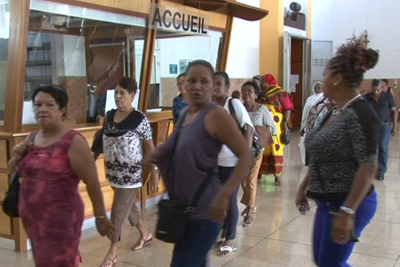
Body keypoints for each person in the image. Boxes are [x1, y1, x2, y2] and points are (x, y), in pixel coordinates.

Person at [146, 60, 254, 267]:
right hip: (184, 209)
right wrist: (151, 158)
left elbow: (246, 156)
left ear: (213, 86)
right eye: (192, 81)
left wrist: (224, 195)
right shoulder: (187, 113)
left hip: (205, 210)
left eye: (204, 81)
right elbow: (170, 147)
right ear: (184, 84)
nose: (197, 86)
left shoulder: (216, 115)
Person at [296, 36, 380, 267]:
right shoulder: (332, 112)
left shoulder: (361, 113)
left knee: (329, 264)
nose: (322, 79)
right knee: (324, 262)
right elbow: (321, 154)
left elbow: (369, 165)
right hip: (326, 202)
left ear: (337, 79)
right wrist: (304, 187)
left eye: (325, 74)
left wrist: (347, 210)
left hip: (350, 201)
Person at [10, 85, 115, 267]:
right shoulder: (32, 138)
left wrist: (100, 216)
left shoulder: (73, 141)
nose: (42, 109)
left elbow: (91, 181)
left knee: (62, 261)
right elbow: (15, 171)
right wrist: (17, 155)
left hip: (62, 220)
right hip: (34, 220)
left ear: (62, 109)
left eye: (49, 105)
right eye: (37, 105)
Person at [93, 77, 159, 267]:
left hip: (131, 176)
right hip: (113, 173)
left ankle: (111, 253)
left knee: (118, 211)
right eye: (116, 93)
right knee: (128, 207)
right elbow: (100, 142)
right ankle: (144, 234)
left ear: (133, 95)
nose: (118, 97)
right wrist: (90, 161)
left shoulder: (140, 119)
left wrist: (154, 172)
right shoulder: (109, 116)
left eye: (122, 93)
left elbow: (150, 148)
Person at [213, 71, 254, 256]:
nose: (215, 88)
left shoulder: (233, 104)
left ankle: (230, 237)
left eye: (219, 84)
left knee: (229, 199)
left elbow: (249, 128)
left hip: (232, 161)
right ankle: (223, 230)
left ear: (227, 88)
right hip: (215, 162)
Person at [240, 81, 277, 227]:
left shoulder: (262, 110)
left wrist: (255, 131)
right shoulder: (239, 108)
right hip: (241, 150)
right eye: (244, 91)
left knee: (251, 180)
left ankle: (249, 211)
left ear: (256, 94)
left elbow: (273, 129)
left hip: (256, 151)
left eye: (250, 91)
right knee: (242, 180)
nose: (246, 94)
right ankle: (251, 203)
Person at [257, 73, 293, 185]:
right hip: (262, 125)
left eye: (262, 82)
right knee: (262, 148)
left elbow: (287, 108)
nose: (260, 84)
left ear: (268, 82)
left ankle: (277, 176)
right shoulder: (261, 93)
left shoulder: (281, 93)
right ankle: (260, 173)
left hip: (275, 126)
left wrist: (285, 124)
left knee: (275, 148)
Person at [365, 79, 398, 180]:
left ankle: (381, 170)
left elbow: (394, 111)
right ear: (371, 88)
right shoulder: (366, 98)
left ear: (381, 88)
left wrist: (394, 127)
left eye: (378, 90)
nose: (376, 92)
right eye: (374, 90)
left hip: (384, 125)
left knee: (383, 147)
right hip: (371, 126)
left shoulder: (387, 96)